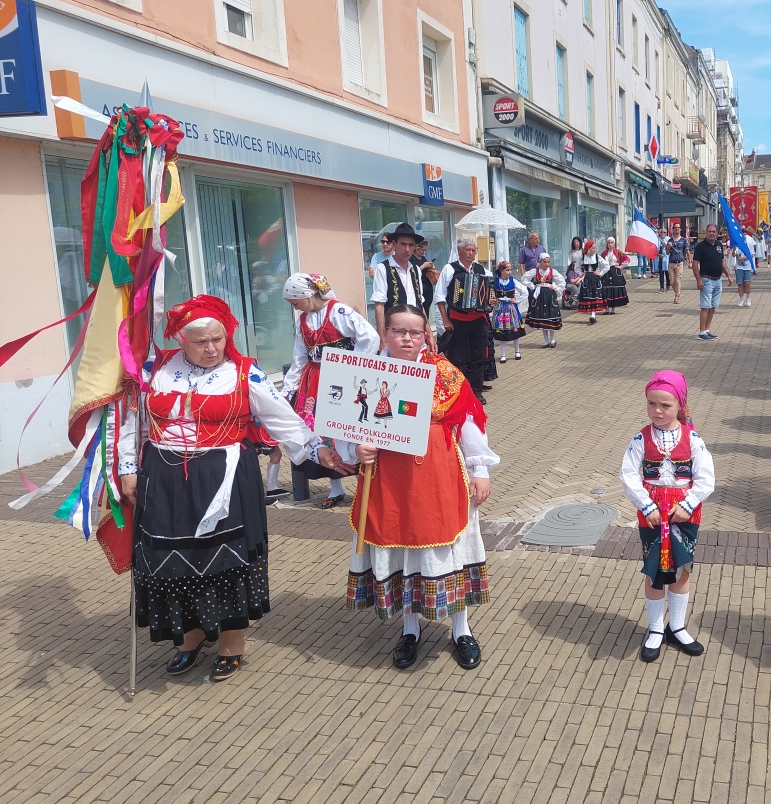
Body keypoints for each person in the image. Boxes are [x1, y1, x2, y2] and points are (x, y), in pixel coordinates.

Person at [119, 295, 349, 681]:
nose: (212, 348)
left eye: (218, 339)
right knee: (172, 560)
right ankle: (191, 635)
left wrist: (316, 449)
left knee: (225, 561)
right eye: (201, 342)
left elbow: (282, 418)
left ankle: (231, 640)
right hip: (164, 477)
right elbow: (132, 421)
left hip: (223, 476)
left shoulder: (244, 373)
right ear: (180, 339)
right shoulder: (154, 369)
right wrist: (128, 468)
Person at [345, 304, 499, 671]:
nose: (407, 338)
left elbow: (468, 421)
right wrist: (356, 449)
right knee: (400, 547)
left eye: (415, 332)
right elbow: (349, 425)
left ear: (426, 334)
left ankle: (461, 629)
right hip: (388, 477)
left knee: (449, 547)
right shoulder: (366, 374)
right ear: (385, 334)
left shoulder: (444, 373)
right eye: (399, 331)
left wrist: (480, 469)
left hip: (439, 473)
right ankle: (410, 630)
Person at [619, 371, 716, 663]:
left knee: (682, 568)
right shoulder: (641, 438)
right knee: (654, 570)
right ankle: (656, 628)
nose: (657, 411)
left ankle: (677, 626)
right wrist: (646, 505)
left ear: (680, 406)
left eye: (665, 405)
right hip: (651, 513)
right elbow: (628, 474)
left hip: (684, 514)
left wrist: (688, 504)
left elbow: (706, 478)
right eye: (652, 404)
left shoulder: (693, 439)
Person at [283, 272, 378, 508]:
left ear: (307, 295)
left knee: (346, 429)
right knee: (321, 433)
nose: (295, 308)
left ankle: (364, 486)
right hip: (314, 382)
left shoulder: (339, 312)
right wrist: (288, 388)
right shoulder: (302, 321)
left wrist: (351, 366)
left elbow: (370, 338)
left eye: (296, 302)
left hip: (340, 378)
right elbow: (299, 357)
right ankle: (336, 488)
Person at [434, 237, 495, 403]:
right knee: (458, 358)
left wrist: (492, 300)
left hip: (478, 320)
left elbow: (490, 292)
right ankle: (458, 392)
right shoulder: (450, 269)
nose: (471, 253)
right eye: (468, 250)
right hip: (458, 320)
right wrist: (445, 320)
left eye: (474, 250)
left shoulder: (482, 270)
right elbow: (440, 297)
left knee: (478, 356)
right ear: (459, 251)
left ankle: (476, 391)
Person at [372, 223, 427, 340]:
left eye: (410, 245)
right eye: (403, 244)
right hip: (395, 333)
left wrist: (429, 334)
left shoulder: (416, 270)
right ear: (394, 244)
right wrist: (382, 338)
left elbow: (420, 304)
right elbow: (379, 305)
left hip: (415, 332)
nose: (407, 249)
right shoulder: (383, 268)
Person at [691, 223, 733, 340]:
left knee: (713, 306)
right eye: (709, 231)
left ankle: (707, 329)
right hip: (706, 280)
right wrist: (698, 279)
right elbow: (695, 264)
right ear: (706, 232)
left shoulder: (719, 245)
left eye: (714, 232)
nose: (711, 234)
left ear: (717, 233)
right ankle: (701, 332)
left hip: (718, 280)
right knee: (705, 306)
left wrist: (728, 276)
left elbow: (722, 262)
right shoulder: (701, 246)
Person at [523, 251, 565, 346]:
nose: (547, 264)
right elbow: (524, 278)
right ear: (540, 262)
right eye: (544, 262)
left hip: (550, 295)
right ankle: (546, 340)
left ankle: (553, 339)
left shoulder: (552, 271)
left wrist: (556, 288)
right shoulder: (535, 271)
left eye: (548, 262)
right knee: (543, 318)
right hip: (540, 296)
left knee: (550, 316)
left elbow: (562, 281)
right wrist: (532, 286)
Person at [491, 260, 527, 362]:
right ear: (501, 271)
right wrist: (493, 300)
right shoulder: (495, 281)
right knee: (501, 331)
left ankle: (517, 351)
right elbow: (489, 293)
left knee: (514, 329)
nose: (510, 272)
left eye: (510, 270)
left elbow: (525, 291)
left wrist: (517, 300)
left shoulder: (513, 280)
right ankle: (503, 355)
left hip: (511, 308)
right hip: (500, 309)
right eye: (507, 270)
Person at [600, 237, 630, 313]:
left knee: (614, 289)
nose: (610, 244)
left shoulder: (618, 252)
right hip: (606, 272)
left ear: (614, 244)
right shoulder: (604, 253)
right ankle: (607, 308)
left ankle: (613, 308)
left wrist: (620, 266)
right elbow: (600, 262)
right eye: (609, 243)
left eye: (611, 242)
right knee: (606, 289)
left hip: (615, 272)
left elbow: (627, 259)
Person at [411, 238, 438, 313]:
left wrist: (431, 267)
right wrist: (424, 266)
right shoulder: (411, 258)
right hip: (419, 287)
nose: (424, 252)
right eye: (422, 250)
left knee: (427, 309)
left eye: (425, 250)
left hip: (428, 287)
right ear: (416, 248)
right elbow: (412, 273)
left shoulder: (423, 258)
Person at [730, 232, 754, 307]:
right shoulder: (737, 245)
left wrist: (743, 258)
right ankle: (741, 299)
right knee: (740, 284)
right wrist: (733, 250)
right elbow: (733, 255)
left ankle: (748, 298)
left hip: (747, 267)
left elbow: (751, 255)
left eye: (744, 235)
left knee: (747, 283)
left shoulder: (748, 244)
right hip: (739, 267)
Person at [668, 222, 689, 304]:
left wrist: (690, 262)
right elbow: (667, 252)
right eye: (675, 227)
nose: (677, 229)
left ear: (680, 229)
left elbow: (687, 251)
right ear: (673, 229)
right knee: (672, 282)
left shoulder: (683, 240)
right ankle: (676, 292)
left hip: (679, 263)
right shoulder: (670, 240)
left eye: (678, 227)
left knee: (677, 281)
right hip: (671, 263)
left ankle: (677, 296)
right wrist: (668, 246)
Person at [654, 227, 670, 292]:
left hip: (667, 259)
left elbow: (671, 248)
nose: (663, 233)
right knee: (661, 274)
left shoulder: (668, 239)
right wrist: (658, 254)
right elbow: (654, 249)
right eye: (661, 232)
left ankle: (668, 285)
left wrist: (665, 245)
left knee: (667, 273)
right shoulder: (657, 239)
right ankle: (662, 287)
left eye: (664, 232)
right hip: (660, 258)